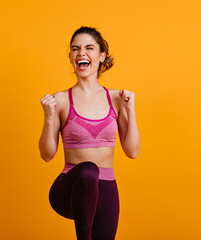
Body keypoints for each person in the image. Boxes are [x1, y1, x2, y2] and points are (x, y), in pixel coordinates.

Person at [39, 26, 140, 240]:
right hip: (70, 189)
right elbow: (47, 154)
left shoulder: (116, 98)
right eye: (75, 49)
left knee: (95, 175)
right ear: (70, 57)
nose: (81, 53)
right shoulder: (62, 100)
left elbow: (132, 151)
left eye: (89, 48)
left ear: (101, 56)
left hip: (106, 191)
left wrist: (130, 111)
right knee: (88, 171)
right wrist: (49, 118)